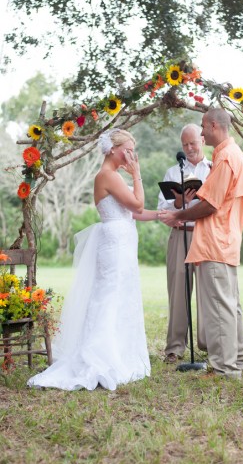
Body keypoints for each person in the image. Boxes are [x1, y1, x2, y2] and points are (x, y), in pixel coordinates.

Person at [28, 128, 159, 391]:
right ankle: (99, 357)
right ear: (113, 149)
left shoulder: (113, 177)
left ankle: (120, 353)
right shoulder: (107, 176)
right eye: (128, 150)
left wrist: (165, 216)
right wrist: (137, 175)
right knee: (108, 297)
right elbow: (138, 205)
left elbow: (135, 213)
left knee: (122, 296)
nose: (132, 156)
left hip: (122, 241)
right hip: (114, 244)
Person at [160, 109, 243, 379]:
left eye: (202, 128)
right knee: (230, 303)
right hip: (227, 239)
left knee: (219, 307)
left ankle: (224, 369)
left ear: (213, 125)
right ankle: (240, 361)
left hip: (215, 240)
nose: (200, 133)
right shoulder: (234, 154)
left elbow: (209, 205)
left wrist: (178, 213)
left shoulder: (224, 159)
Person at [157, 124, 211, 364]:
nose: (189, 148)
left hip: (206, 234)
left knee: (208, 290)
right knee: (178, 290)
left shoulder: (213, 168)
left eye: (193, 143)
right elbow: (164, 210)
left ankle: (210, 343)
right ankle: (175, 347)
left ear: (202, 140)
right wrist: (179, 202)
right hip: (180, 235)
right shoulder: (172, 172)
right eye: (185, 145)